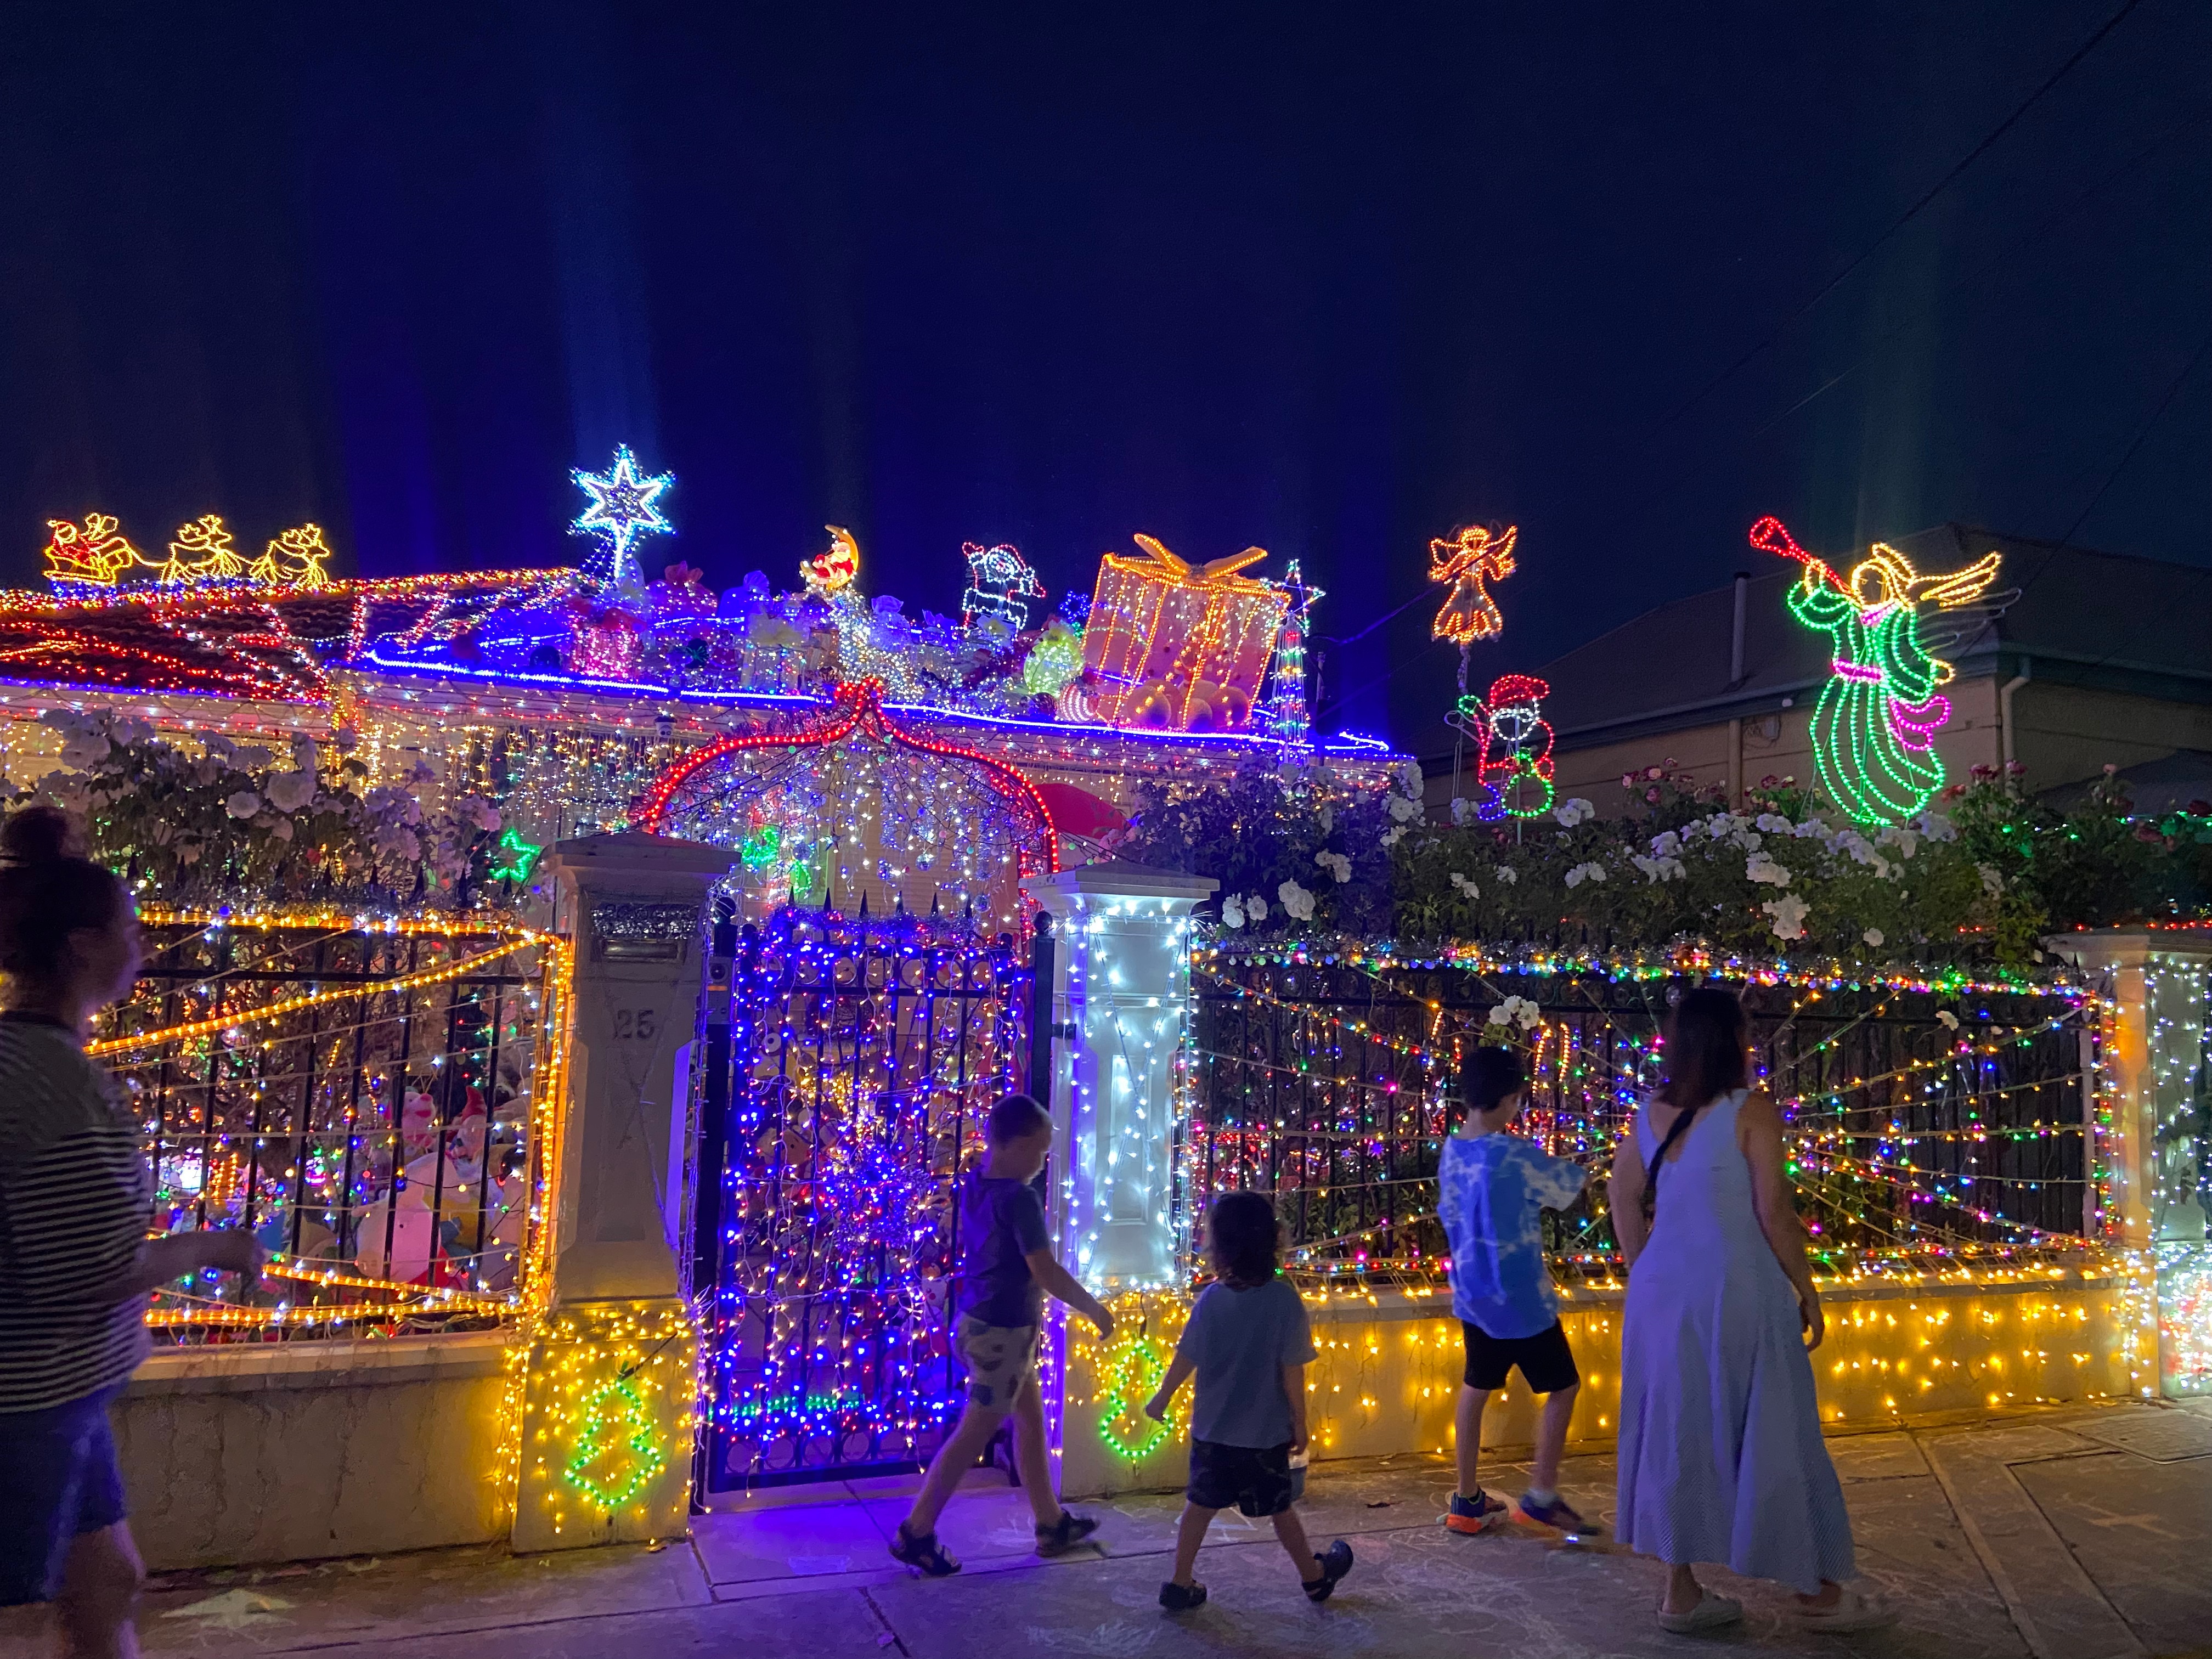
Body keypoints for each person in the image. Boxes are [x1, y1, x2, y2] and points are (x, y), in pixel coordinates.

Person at [0, 805, 264, 1658]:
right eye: (131, 930)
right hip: (28, 1399)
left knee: (107, 1580)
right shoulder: (59, 1087)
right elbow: (91, 1270)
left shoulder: (29, 1062)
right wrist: (221, 1247)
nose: (144, 947)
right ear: (82, 947)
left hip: (63, 1387)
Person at [1607, 986, 1892, 1634]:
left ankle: (1680, 1592)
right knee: (1774, 1423)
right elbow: (1774, 1212)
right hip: (1738, 1286)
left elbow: (1622, 1197)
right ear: (1734, 1041)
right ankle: (1816, 1589)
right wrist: (1807, 1288)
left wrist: (1646, 1266)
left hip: (1662, 1295)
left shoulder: (1648, 1115)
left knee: (1677, 1428)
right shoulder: (1752, 1112)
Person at [890, 1093, 1111, 1575]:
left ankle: (1051, 1524)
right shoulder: (1020, 1198)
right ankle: (917, 1530)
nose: (1042, 1163)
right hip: (1003, 1334)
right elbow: (1044, 1270)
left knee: (1031, 1423)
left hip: (980, 1323)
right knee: (976, 1431)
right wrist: (1093, 1309)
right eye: (1038, 1151)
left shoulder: (977, 1184)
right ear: (1011, 1146)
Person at [1144, 1191, 1354, 1610]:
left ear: (1219, 1247)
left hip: (1213, 1433)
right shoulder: (1284, 1302)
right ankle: (1314, 1577)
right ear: (1272, 1241)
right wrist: (1300, 1422)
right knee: (1280, 1510)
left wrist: (1162, 1398)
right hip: (1263, 1435)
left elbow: (1187, 1355)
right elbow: (1292, 1371)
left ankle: (1180, 1582)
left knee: (1199, 1507)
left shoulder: (1212, 1300)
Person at [1436, 1045, 1597, 1537]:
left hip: (1474, 1299)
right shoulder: (1513, 1154)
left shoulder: (1453, 1153)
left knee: (1476, 1387)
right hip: (1523, 1301)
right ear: (1510, 1099)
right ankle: (1542, 1492)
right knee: (1564, 1387)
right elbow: (1569, 1187)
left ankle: (1467, 1498)